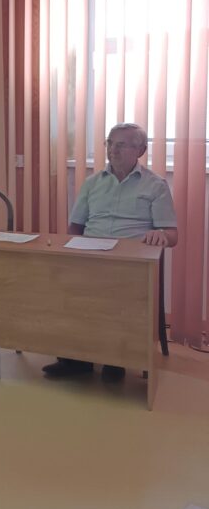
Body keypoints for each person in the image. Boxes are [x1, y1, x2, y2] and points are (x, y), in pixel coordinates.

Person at [42, 122, 177, 382]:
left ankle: (117, 358)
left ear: (141, 151)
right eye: (110, 143)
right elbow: (75, 227)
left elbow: (172, 236)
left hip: (131, 262)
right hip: (91, 256)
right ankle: (75, 359)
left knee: (116, 291)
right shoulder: (92, 183)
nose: (113, 150)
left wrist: (161, 234)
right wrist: (71, 253)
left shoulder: (155, 185)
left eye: (122, 145)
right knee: (62, 286)